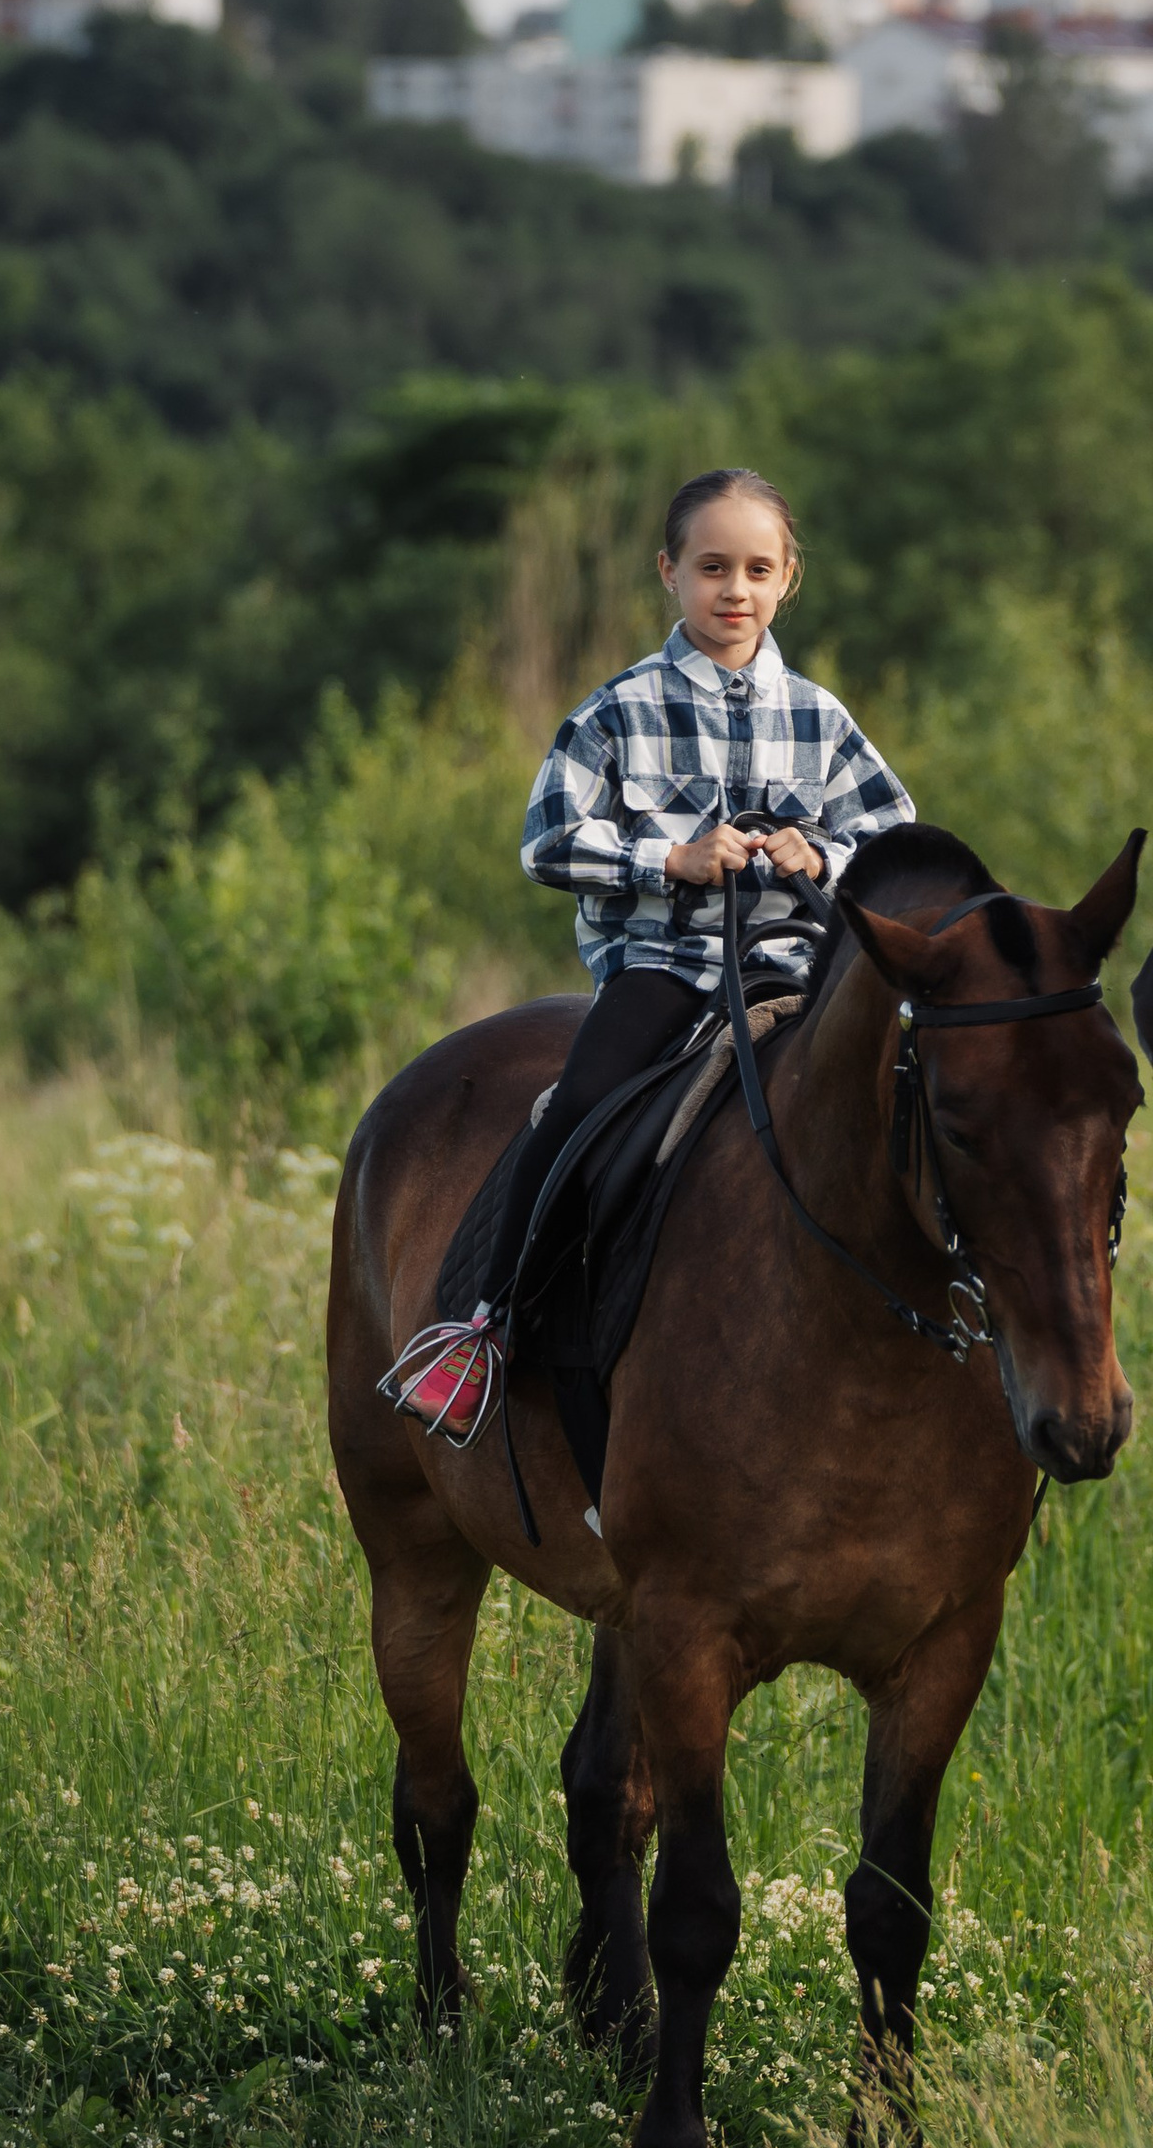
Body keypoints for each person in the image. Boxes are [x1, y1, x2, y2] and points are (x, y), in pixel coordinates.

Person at [384, 466, 915, 1439]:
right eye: (712, 566)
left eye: (758, 569)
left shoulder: (821, 717)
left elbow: (898, 842)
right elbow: (546, 841)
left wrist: (825, 854)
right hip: (664, 971)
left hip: (799, 971)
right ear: (669, 572)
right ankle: (486, 1326)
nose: (734, 590)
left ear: (789, 578)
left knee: (922, 1088)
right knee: (580, 1107)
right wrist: (666, 857)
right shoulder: (617, 711)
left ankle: (945, 1321)